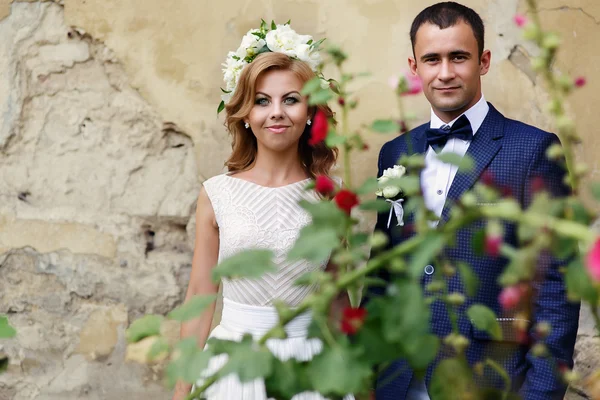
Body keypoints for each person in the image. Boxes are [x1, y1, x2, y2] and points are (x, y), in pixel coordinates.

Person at [368, 2, 580, 399]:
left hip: (489, 380)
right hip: (399, 380)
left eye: (458, 57)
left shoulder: (532, 150)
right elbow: (381, 272)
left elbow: (556, 288)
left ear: (483, 61)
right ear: (414, 68)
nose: (445, 72)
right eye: (432, 59)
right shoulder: (394, 154)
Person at [172, 24, 352, 400]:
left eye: (290, 99)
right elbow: (200, 295)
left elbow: (336, 299)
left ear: (309, 112)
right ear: (245, 114)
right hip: (232, 366)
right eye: (262, 100)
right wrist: (181, 392)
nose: (277, 113)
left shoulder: (330, 197)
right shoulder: (217, 194)